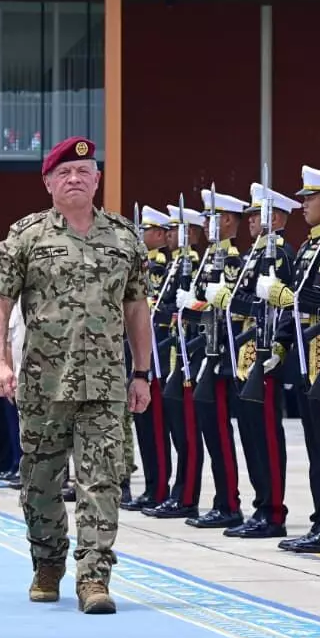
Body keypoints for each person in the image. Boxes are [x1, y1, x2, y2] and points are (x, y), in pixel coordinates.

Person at [0, 135, 153, 616]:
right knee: (40, 483)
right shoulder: (26, 235)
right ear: (48, 182)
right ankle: (48, 561)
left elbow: (137, 310)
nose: (74, 178)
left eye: (83, 172)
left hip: (105, 385)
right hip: (44, 385)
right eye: (64, 172)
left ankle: (94, 577)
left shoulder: (125, 238)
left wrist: (142, 373)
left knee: (102, 481)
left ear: (97, 180)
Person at [257, 164, 320, 555]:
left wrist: (282, 296)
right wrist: (281, 345)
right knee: (316, 444)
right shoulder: (308, 247)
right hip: (305, 355)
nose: (303, 204)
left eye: (310, 197)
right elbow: (296, 311)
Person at [203, 181, 298, 538]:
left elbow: (282, 306)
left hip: (265, 355)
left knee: (267, 437)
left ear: (277, 218)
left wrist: (231, 300)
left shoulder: (281, 254)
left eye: (258, 214)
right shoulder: (252, 256)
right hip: (244, 357)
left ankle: (273, 512)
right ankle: (262, 507)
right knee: (252, 437)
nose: (252, 221)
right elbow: (247, 304)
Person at [175, 188, 246, 529]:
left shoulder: (230, 261)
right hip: (203, 353)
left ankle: (229, 503)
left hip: (221, 356)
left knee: (219, 432)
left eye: (210, 218)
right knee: (210, 432)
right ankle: (222, 501)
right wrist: (191, 306)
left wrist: (196, 305)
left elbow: (228, 311)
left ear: (227, 220)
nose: (204, 223)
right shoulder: (207, 259)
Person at [142, 204, 205, 520]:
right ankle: (174, 492)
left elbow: (193, 309)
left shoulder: (191, 265)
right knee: (176, 431)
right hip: (168, 356)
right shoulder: (175, 265)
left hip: (186, 357)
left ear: (189, 233)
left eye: (174, 229)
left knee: (187, 434)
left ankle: (185, 496)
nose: (168, 234)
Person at [124, 206, 174, 511]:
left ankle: (159, 488)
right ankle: (152, 486)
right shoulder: (143, 266)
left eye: (143, 231)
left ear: (156, 235)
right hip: (142, 358)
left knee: (156, 428)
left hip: (157, 360)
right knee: (144, 428)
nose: (138, 235)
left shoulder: (160, 268)